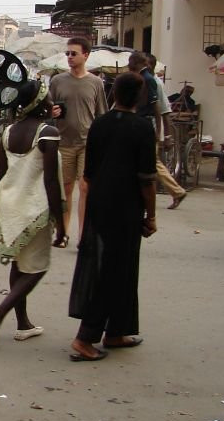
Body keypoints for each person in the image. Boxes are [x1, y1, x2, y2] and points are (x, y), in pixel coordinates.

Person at [68, 71, 157, 361]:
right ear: (140, 97)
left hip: (99, 203)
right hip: (126, 207)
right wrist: (151, 216)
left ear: (113, 94)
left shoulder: (99, 125)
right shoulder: (143, 129)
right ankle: (85, 337)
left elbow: (89, 174)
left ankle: (117, 331)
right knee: (115, 270)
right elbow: (147, 179)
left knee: (116, 266)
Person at [0, 81, 65, 345]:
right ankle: (1, 311)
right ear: (41, 102)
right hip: (34, 209)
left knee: (20, 265)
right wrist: (62, 224)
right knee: (37, 268)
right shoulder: (48, 133)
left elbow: (0, 175)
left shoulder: (8, 132)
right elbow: (51, 182)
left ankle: (23, 324)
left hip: (8, 205)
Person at [48, 36, 107, 244]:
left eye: (74, 53)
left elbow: (101, 115)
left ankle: (84, 235)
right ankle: (63, 233)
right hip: (63, 142)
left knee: (85, 187)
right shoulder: (57, 81)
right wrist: (52, 112)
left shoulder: (96, 83)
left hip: (87, 143)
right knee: (65, 189)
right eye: (67, 54)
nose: (70, 57)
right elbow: (47, 108)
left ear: (86, 55)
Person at [147, 54, 187, 210]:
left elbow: (164, 111)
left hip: (150, 130)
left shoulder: (155, 83)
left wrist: (167, 135)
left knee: (153, 163)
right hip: (143, 129)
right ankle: (176, 191)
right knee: (151, 163)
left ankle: (177, 191)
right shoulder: (144, 81)